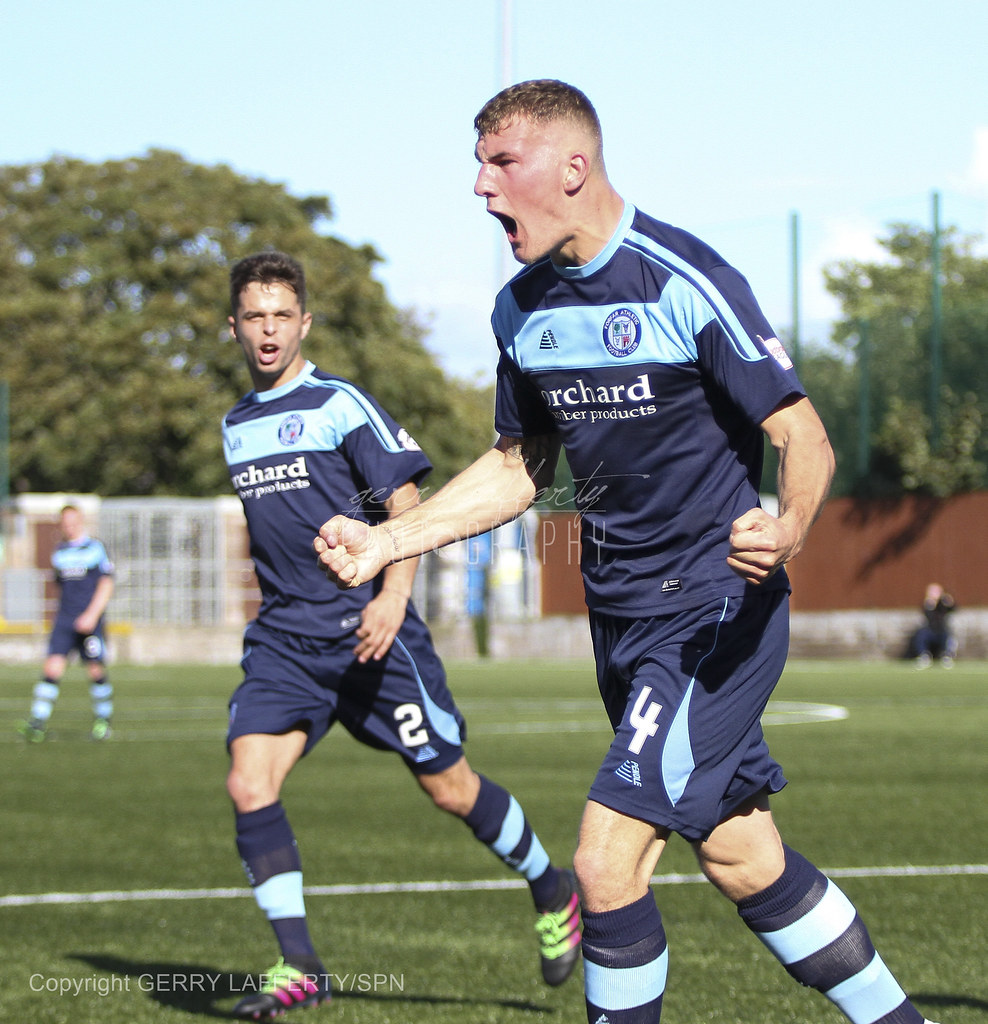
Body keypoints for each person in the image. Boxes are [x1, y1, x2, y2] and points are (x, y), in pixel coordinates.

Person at [315, 81, 938, 1024]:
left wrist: (790, 527)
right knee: (741, 855)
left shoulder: (683, 278)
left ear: (573, 167)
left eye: (500, 163)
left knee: (605, 861)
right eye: (477, 163)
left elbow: (803, 435)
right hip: (625, 623)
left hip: (715, 614)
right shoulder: (517, 312)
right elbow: (520, 468)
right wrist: (387, 538)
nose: (481, 187)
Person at [222, 251, 580, 1019]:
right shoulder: (235, 427)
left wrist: (392, 595)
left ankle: (551, 886)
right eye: (255, 316)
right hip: (286, 642)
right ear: (234, 327)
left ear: (304, 323)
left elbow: (405, 500)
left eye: (282, 315)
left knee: (451, 788)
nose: (269, 330)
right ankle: (299, 965)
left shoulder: (339, 403)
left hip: (370, 634)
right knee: (249, 782)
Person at [17, 504, 115, 742]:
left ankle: (103, 722)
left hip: (89, 620)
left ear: (80, 521)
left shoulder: (95, 548)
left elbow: (106, 584)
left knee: (94, 669)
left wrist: (91, 615)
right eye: (65, 522)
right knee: (52, 667)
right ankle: (38, 723)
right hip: (65, 619)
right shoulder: (59, 553)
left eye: (73, 521)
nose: (69, 526)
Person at [913, 582, 957, 668]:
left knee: (949, 636)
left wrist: (948, 602)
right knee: (921, 635)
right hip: (931, 630)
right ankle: (924, 656)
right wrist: (931, 605)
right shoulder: (928, 604)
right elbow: (929, 616)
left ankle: (947, 656)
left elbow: (954, 608)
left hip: (942, 630)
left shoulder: (943, 603)